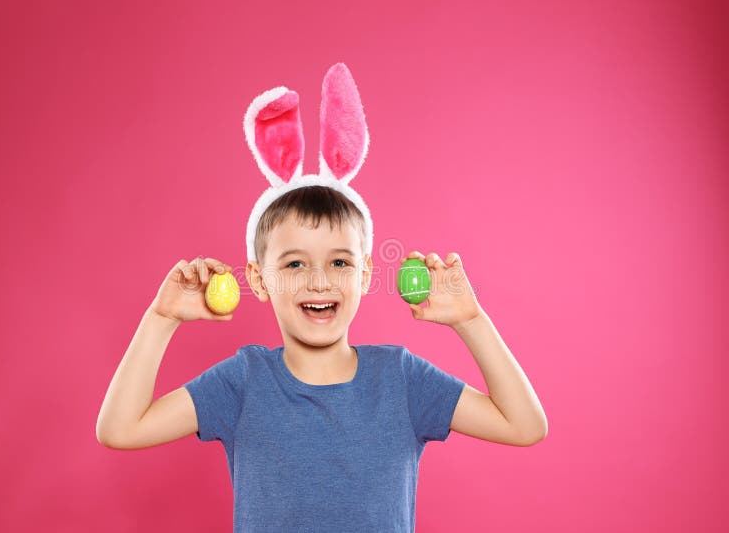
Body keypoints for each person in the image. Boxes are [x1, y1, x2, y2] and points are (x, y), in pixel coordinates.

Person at [96, 63, 547, 532]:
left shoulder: (401, 379)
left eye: (339, 262)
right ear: (258, 277)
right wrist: (161, 317)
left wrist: (470, 320)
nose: (318, 282)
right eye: (294, 264)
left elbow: (524, 425)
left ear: (366, 272)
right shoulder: (243, 382)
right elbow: (120, 429)